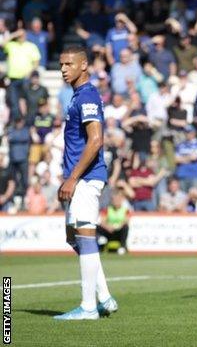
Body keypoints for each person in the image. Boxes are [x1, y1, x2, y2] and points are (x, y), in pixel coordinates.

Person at [54, 46, 117, 320]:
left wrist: (72, 177)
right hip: (80, 177)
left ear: (84, 65)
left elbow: (96, 140)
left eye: (69, 64)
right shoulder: (76, 96)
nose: (64, 69)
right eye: (61, 65)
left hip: (87, 178)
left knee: (85, 234)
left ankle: (89, 306)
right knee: (74, 236)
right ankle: (103, 297)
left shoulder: (88, 95)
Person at [96, 190, 130, 255]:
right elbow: (102, 221)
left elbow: (126, 221)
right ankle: (101, 242)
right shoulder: (107, 209)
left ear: (121, 200)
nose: (115, 201)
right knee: (97, 227)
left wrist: (118, 226)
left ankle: (122, 247)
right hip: (109, 230)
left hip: (119, 231)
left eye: (117, 199)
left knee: (125, 227)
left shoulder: (125, 210)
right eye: (114, 199)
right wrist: (108, 227)